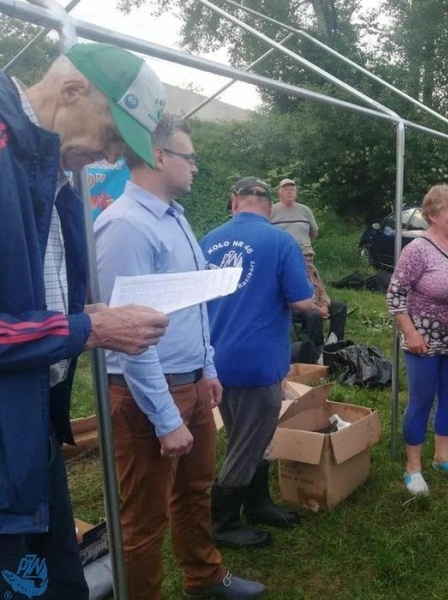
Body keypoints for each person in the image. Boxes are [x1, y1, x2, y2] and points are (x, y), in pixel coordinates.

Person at [0, 43, 171, 599]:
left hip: (29, 434)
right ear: (72, 92)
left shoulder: (52, 178)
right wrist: (86, 330)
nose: (112, 155)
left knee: (55, 584)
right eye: (111, 133)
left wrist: (81, 316)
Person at [95, 116, 265, 599]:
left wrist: (207, 368)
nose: (195, 165)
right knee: (142, 518)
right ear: (159, 157)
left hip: (190, 382)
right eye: (189, 156)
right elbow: (128, 339)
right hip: (146, 392)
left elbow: (195, 301)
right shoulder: (125, 227)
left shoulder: (176, 216)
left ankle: (204, 578)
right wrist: (167, 419)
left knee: (194, 492)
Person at [201, 176, 313, 547]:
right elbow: (302, 303)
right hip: (258, 360)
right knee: (250, 440)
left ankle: (259, 503)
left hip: (215, 358)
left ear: (234, 201)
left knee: (243, 434)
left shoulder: (207, 241)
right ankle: (224, 523)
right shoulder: (280, 241)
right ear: (269, 205)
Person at [387, 184, 448, 496]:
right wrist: (411, 333)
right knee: (421, 400)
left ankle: (442, 457)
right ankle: (412, 467)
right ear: (432, 216)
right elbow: (394, 295)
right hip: (424, 341)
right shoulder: (417, 249)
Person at [293, 247, 348, 355]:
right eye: (306, 255)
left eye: (311, 255)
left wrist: (325, 305)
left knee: (340, 306)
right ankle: (318, 349)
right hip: (299, 308)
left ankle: (335, 342)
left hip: (316, 303)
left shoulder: (313, 270)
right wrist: (319, 310)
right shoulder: (294, 273)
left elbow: (322, 291)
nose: (309, 258)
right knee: (314, 315)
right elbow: (299, 299)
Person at [270, 178, 319, 252]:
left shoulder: (305, 210)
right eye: (286, 190)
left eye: (292, 190)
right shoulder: (271, 211)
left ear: (296, 193)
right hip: (279, 252)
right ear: (279, 193)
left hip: (304, 253)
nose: (289, 192)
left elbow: (314, 232)